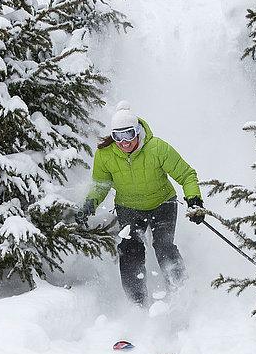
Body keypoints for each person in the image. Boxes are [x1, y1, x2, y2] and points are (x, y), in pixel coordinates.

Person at [76, 100, 205, 306]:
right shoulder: (105, 154)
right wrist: (89, 204)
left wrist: (193, 198)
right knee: (129, 248)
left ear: (137, 131)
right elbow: (100, 185)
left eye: (128, 134)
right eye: (118, 136)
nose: (124, 141)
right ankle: (137, 303)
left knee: (163, 245)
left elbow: (186, 174)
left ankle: (181, 292)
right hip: (129, 207)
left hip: (162, 203)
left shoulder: (156, 148)